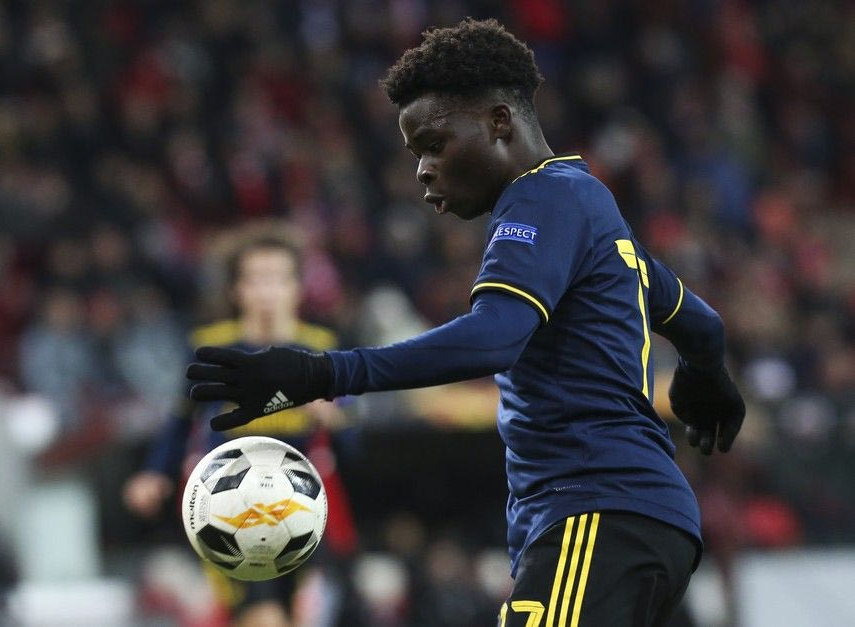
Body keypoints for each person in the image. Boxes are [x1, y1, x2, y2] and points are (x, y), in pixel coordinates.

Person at [187, 19, 745, 627]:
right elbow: (701, 324)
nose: (423, 170)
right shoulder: (589, 211)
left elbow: (495, 336)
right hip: (632, 519)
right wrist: (705, 373)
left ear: (499, 122)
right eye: (415, 154)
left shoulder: (542, 199)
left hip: (596, 509)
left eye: (434, 143)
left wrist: (322, 372)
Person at [124, 228, 357, 627]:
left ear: (297, 288)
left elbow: (353, 447)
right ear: (236, 290)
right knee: (263, 617)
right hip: (232, 510)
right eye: (256, 279)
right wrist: (154, 472)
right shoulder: (211, 348)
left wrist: (334, 419)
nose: (267, 291)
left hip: (303, 510)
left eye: (277, 278)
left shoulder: (322, 348)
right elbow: (180, 420)